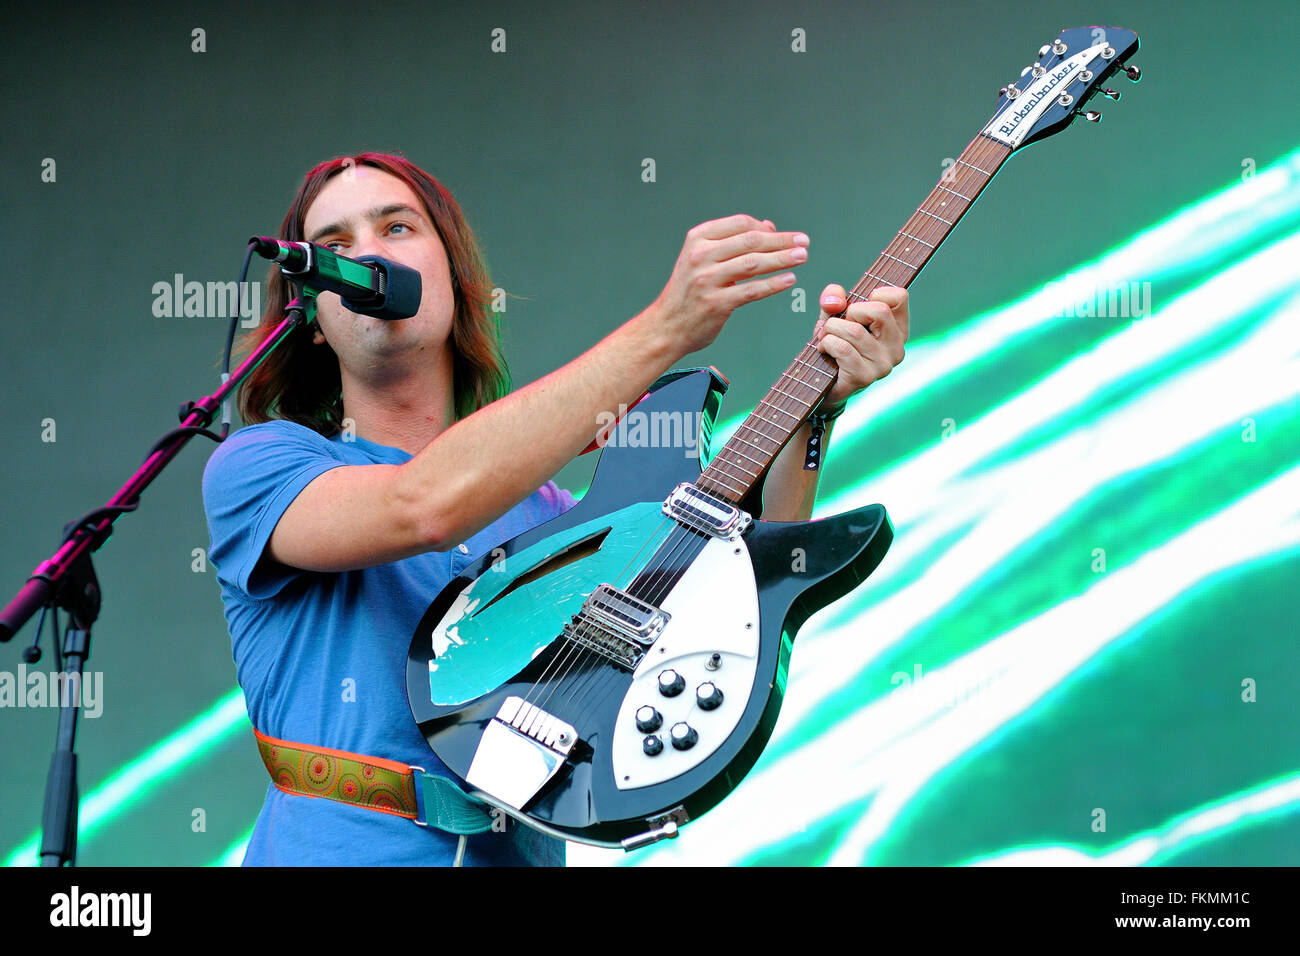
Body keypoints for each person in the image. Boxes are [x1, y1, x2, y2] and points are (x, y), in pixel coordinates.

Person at [201, 151, 909, 866]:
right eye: (334, 247)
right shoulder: (260, 467)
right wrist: (668, 325)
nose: (368, 254)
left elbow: (738, 580)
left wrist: (817, 413)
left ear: (454, 279)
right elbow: (420, 507)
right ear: (314, 317)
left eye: (397, 227)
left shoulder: (553, 516)